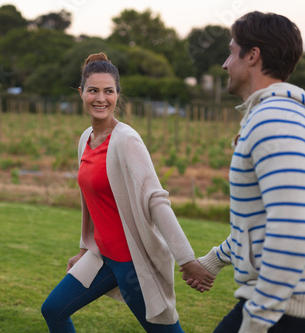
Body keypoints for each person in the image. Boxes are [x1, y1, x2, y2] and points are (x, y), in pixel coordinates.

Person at [183, 11, 305, 333]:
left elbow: (291, 229)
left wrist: (257, 322)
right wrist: (214, 260)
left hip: (290, 307)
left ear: (252, 56)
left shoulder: (275, 121)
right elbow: (260, 220)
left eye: (231, 52)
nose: (225, 64)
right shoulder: (273, 115)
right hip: (297, 301)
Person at [41, 52, 215, 332]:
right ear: (81, 93)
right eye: (93, 90)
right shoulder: (86, 138)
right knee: (53, 310)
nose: (101, 98)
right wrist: (84, 248)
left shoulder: (126, 141)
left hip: (131, 264)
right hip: (101, 257)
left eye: (108, 91)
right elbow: (92, 202)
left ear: (118, 95)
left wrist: (187, 260)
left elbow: (156, 201)